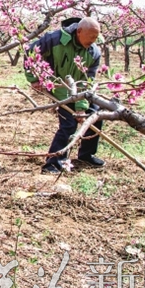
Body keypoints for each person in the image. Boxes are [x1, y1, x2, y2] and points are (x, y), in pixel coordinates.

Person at [24, 17, 105, 174]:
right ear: (79, 31)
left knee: (96, 115)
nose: (94, 41)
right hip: (58, 88)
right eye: (91, 36)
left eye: (96, 37)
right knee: (69, 125)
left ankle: (86, 155)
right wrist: (34, 79)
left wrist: (82, 107)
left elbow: (88, 80)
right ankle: (53, 163)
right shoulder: (54, 40)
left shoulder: (93, 52)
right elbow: (30, 54)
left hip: (81, 91)